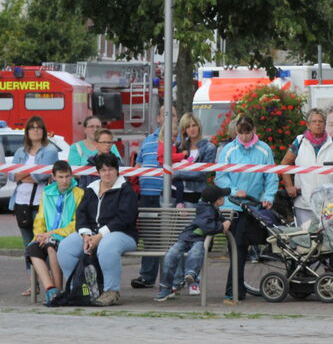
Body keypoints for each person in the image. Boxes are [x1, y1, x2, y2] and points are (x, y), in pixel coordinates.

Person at [56, 152, 139, 306]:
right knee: (65, 248)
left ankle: (111, 291)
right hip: (92, 234)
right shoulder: (91, 189)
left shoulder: (126, 190)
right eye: (103, 170)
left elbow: (124, 218)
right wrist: (86, 235)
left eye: (110, 169)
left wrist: (100, 235)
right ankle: (78, 288)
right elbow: (81, 214)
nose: (107, 173)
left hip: (122, 235)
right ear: (98, 172)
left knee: (107, 246)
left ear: (117, 170)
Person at [216, 116, 278, 305]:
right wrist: (235, 191)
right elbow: (220, 177)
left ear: (254, 130)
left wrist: (269, 197)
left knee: (244, 246)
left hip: (255, 206)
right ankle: (233, 290)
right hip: (233, 206)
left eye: (247, 132)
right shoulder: (228, 151)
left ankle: (236, 289)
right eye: (241, 132)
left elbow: (271, 177)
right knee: (238, 246)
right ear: (236, 131)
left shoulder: (264, 150)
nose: (244, 136)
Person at [155, 184, 232, 302]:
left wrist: (225, 221)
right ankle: (187, 275)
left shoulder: (212, 209)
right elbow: (208, 227)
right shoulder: (206, 209)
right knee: (175, 254)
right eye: (222, 197)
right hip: (191, 237)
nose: (224, 199)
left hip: (192, 238)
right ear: (217, 201)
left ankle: (179, 280)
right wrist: (222, 227)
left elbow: (216, 218)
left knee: (185, 253)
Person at [9, 116, 60, 292]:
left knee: (42, 243)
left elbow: (41, 176)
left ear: (44, 131)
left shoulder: (50, 150)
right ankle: (33, 283)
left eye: (39, 127)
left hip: (41, 203)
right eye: (32, 127)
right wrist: (26, 174)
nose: (35, 130)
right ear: (27, 131)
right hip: (20, 202)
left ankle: (49, 281)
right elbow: (11, 175)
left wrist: (22, 174)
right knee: (27, 246)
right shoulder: (20, 151)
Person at [26, 160, 84, 305]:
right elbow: (40, 218)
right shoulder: (46, 193)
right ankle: (50, 288)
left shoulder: (79, 193)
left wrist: (52, 233)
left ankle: (58, 291)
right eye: (61, 177)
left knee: (51, 247)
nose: (65, 181)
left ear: (72, 176)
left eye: (67, 176)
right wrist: (39, 235)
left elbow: (77, 222)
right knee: (32, 249)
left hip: (65, 236)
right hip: (46, 236)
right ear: (53, 177)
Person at [281, 108, 333, 227]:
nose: (317, 124)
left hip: (329, 204)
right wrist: (289, 186)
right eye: (314, 121)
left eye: (320, 121)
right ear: (308, 125)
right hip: (304, 203)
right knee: (306, 240)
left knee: (329, 238)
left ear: (325, 124)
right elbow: (285, 163)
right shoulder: (299, 141)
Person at [130, 105, 165, 290]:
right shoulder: (149, 140)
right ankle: (147, 276)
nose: (168, 118)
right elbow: (138, 164)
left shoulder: (178, 141)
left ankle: (171, 279)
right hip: (146, 195)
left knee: (170, 238)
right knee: (151, 238)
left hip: (167, 195)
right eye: (165, 114)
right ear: (158, 118)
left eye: (172, 115)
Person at [171, 113, 217, 209]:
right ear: (184, 130)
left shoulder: (209, 148)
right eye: (188, 127)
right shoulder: (180, 146)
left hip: (194, 195)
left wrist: (176, 173)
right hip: (174, 193)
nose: (192, 129)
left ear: (199, 126)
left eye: (194, 125)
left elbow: (201, 174)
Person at [68, 116, 121, 187]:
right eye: (91, 126)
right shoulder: (76, 147)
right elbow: (73, 171)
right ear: (85, 129)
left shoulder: (112, 146)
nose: (95, 129)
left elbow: (119, 167)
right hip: (85, 187)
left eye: (98, 126)